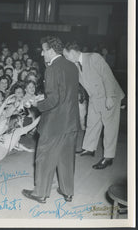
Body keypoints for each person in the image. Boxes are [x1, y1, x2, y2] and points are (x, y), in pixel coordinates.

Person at [22, 36, 80, 203]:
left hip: (55, 122)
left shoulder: (51, 68)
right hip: (71, 120)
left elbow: (54, 100)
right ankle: (67, 191)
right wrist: (44, 97)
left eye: (43, 50)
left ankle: (40, 193)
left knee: (43, 156)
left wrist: (36, 103)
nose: (41, 53)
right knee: (66, 158)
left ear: (51, 51)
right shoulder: (72, 66)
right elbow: (65, 93)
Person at [63, 42, 125, 169]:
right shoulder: (75, 65)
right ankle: (89, 149)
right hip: (95, 97)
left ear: (73, 52)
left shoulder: (93, 57)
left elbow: (107, 76)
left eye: (66, 55)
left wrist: (109, 97)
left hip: (109, 95)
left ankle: (108, 157)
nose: (66, 58)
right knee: (92, 122)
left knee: (109, 127)